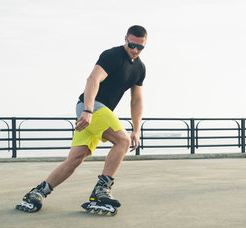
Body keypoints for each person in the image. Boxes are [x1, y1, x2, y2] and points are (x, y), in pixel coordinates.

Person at [16, 25, 147, 214]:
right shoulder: (112, 55)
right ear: (125, 39)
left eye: (140, 47)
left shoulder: (140, 69)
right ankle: (101, 191)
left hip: (98, 113)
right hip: (92, 108)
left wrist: (137, 128)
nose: (135, 50)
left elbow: (136, 100)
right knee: (123, 141)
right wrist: (88, 109)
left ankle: (37, 193)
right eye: (131, 45)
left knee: (75, 158)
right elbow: (92, 80)